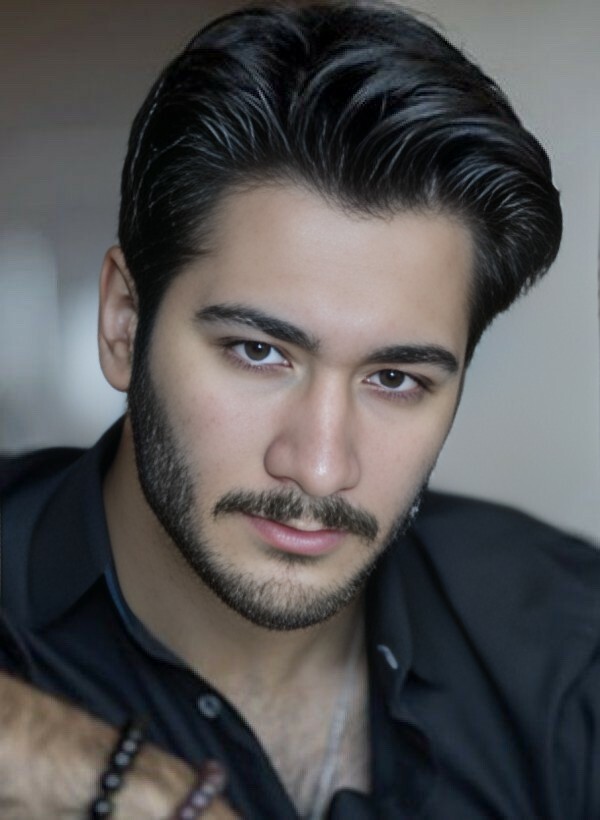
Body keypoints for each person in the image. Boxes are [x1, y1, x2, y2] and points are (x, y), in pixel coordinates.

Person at [1, 2, 599, 818]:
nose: (319, 466)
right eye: (259, 352)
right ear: (123, 324)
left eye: (395, 378)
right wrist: (118, 783)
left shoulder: (568, 644)